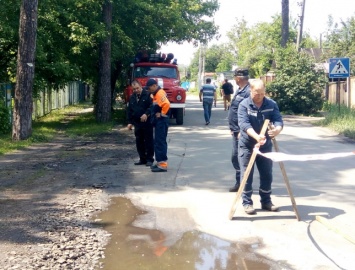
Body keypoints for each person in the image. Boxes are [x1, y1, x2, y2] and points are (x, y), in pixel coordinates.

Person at [237, 79, 283, 215]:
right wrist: (257, 137)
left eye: (263, 93)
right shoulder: (244, 105)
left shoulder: (271, 104)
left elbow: (278, 119)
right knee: (247, 174)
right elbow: (244, 124)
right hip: (247, 145)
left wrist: (277, 130)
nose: (260, 96)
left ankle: (266, 201)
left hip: (265, 146)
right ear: (251, 91)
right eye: (257, 93)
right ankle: (247, 203)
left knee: (267, 174)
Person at [228, 68, 251, 192]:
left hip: (241, 132)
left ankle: (243, 183)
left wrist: (242, 130)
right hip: (236, 130)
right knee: (236, 157)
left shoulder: (248, 92)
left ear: (237, 78)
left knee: (238, 157)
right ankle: (240, 182)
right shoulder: (240, 90)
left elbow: (249, 113)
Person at [127, 80, 154, 167]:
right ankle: (142, 159)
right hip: (137, 123)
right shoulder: (132, 97)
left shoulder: (147, 95)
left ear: (141, 86)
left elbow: (152, 106)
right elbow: (129, 110)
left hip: (147, 122)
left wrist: (146, 114)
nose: (136, 90)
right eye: (134, 89)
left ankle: (149, 159)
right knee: (139, 141)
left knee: (148, 141)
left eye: (137, 88)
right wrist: (130, 122)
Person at [146, 78, 170, 172]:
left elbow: (166, 104)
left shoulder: (159, 93)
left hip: (161, 121)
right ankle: (160, 162)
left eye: (149, 88)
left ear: (154, 86)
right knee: (158, 142)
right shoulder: (157, 93)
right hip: (159, 121)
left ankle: (162, 165)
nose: (149, 90)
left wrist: (162, 114)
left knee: (160, 142)